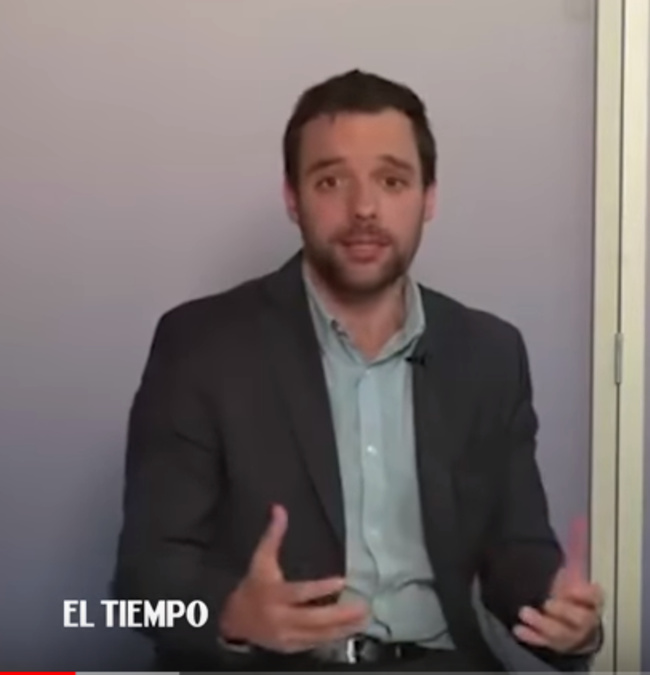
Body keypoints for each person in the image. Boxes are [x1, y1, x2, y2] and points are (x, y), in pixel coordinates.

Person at [112, 69, 603, 671]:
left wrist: (561, 616)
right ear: (292, 198)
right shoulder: (201, 345)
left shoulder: (489, 353)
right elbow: (140, 590)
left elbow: (515, 554)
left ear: (429, 198)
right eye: (331, 181)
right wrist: (231, 616)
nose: (364, 208)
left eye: (392, 181)